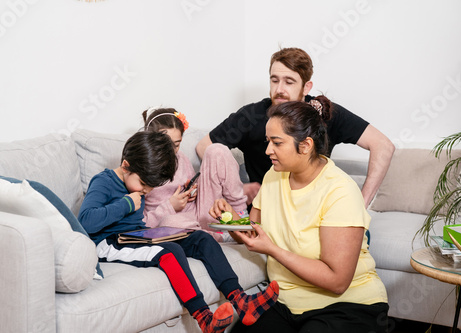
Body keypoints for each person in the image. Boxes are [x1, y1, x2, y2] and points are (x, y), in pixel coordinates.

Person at [210, 98, 389, 333]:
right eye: (268, 142)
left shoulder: (340, 190)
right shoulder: (274, 176)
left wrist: (273, 250)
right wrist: (232, 220)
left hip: (347, 305)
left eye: (277, 143)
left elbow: (337, 282)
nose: (267, 150)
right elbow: (255, 231)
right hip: (286, 302)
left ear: (305, 145)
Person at [78, 131, 278, 333]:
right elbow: (85, 221)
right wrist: (126, 204)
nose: (146, 191)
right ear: (125, 166)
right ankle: (204, 318)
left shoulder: (137, 184)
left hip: (137, 235)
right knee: (170, 251)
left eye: (151, 187)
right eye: (144, 185)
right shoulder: (103, 181)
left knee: (200, 238)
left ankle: (241, 300)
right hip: (111, 242)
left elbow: (141, 220)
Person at [196, 47, 395, 208]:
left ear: (307, 87)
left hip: (317, 210)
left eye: (289, 82)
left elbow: (383, 146)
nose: (279, 89)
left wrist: (361, 205)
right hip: (267, 212)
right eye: (274, 80)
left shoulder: (325, 112)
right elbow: (206, 147)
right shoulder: (251, 116)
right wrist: (237, 188)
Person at [142, 107, 248, 242]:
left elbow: (194, 186)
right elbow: (142, 225)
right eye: (166, 144)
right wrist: (170, 206)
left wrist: (193, 190)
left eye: (177, 144)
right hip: (176, 223)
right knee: (170, 223)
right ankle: (220, 236)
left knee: (217, 150)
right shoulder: (141, 169)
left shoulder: (180, 157)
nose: (172, 150)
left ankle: (240, 219)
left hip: (202, 214)